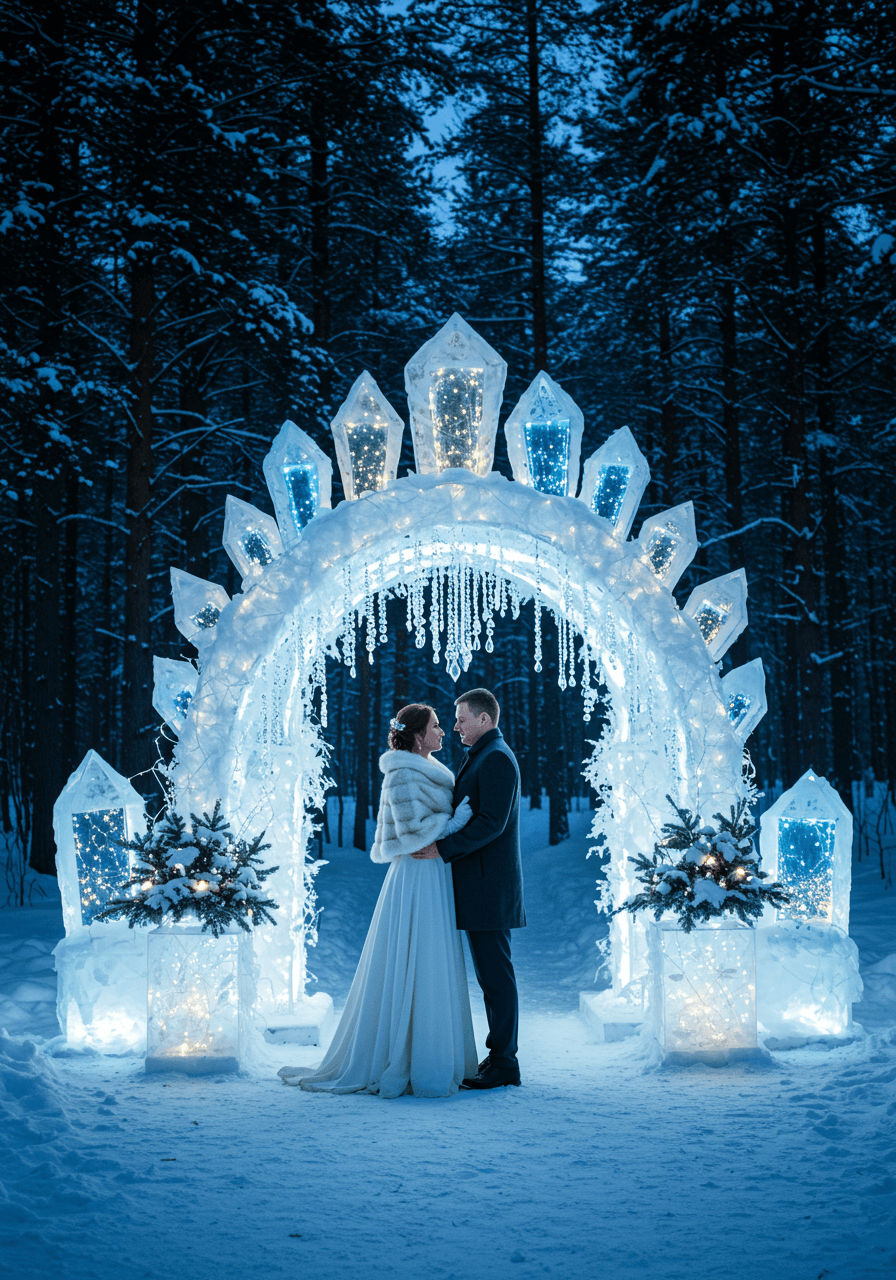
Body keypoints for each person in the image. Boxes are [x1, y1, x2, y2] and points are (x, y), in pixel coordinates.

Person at [285, 703, 477, 1098]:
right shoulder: (404, 774)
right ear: (419, 735)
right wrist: (455, 824)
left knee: (432, 958)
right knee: (417, 954)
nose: (443, 732)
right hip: (417, 876)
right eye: (437, 727)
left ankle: (430, 1051)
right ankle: (408, 1057)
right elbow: (411, 833)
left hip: (433, 873)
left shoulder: (423, 768)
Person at [412, 687, 525, 1090]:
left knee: (496, 978)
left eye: (461, 719)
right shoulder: (483, 754)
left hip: (488, 887)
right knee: (492, 977)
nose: (455, 725)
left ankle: (504, 1064)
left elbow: (490, 823)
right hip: (480, 885)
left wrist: (442, 849)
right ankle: (499, 1057)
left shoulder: (496, 758)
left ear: (484, 720)